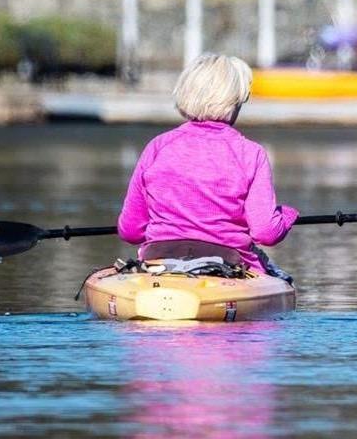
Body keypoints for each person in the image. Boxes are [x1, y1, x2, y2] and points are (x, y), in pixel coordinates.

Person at [118, 53, 297, 278]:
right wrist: (287, 216)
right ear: (235, 102)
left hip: (159, 264)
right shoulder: (251, 154)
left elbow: (130, 230)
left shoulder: (157, 147)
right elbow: (266, 233)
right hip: (229, 268)